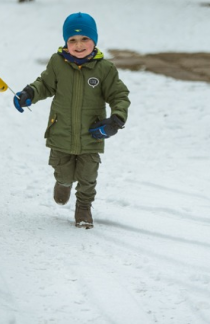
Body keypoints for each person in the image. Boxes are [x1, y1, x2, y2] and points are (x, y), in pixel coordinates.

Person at [12, 12, 130, 228]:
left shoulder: (105, 69)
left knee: (88, 176)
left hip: (92, 132)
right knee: (63, 170)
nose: (79, 45)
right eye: (72, 40)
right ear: (66, 42)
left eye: (85, 38)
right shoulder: (57, 63)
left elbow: (119, 96)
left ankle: (83, 208)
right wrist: (30, 93)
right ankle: (63, 182)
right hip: (61, 131)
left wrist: (116, 119)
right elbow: (45, 84)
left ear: (94, 40)